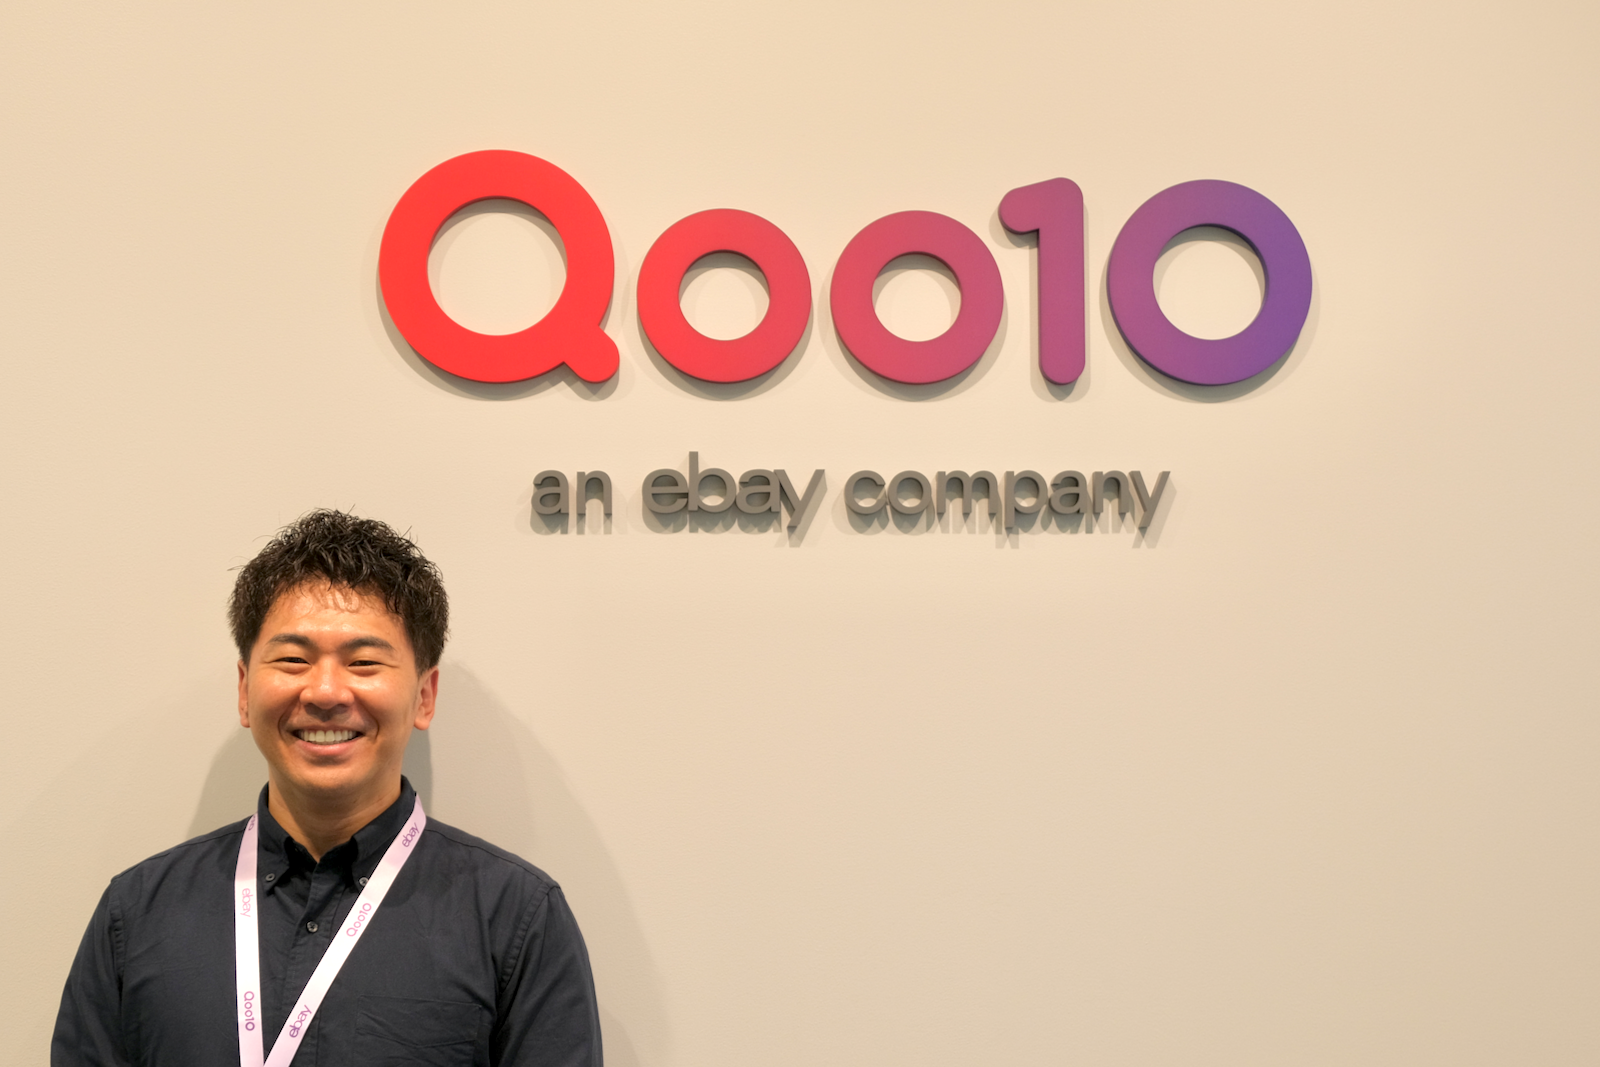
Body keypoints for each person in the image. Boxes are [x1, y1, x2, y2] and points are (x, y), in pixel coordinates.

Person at [52, 510, 602, 1067]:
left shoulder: (516, 918)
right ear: (244, 691)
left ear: (424, 696)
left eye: (363, 662)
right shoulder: (137, 912)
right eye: (293, 660)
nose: (325, 691)